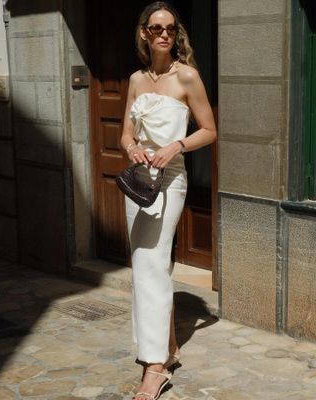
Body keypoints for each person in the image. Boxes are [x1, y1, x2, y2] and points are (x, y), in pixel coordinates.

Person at [120, 2, 217, 399]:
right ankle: (170, 349)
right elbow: (126, 133)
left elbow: (209, 130)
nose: (164, 34)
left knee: (151, 262)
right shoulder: (136, 79)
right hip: (140, 181)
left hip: (171, 180)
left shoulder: (188, 77)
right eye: (156, 28)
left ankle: (155, 368)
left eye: (171, 29)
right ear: (144, 32)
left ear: (177, 34)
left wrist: (176, 144)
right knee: (148, 264)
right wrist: (131, 149)